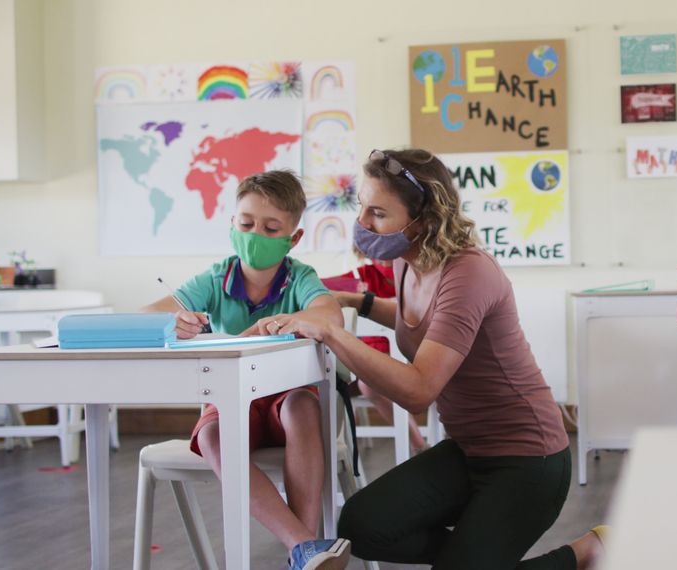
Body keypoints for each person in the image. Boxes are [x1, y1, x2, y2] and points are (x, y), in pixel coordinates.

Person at [273, 149, 604, 570]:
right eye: (362, 207)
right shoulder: (408, 261)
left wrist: (332, 333)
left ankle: (586, 553)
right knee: (362, 524)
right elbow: (420, 320)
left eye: (377, 213)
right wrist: (352, 301)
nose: (362, 224)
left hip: (528, 461)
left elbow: (418, 390)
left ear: (424, 219)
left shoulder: (469, 272)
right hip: (468, 450)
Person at [141, 170, 350, 570]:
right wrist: (172, 323)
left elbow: (330, 314)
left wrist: (292, 318)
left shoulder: (299, 277)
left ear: (294, 238)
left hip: (287, 400)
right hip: (231, 401)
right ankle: (304, 547)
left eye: (272, 228)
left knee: (301, 408)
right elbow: (148, 314)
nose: (256, 235)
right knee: (216, 434)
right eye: (246, 224)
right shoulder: (216, 279)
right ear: (232, 225)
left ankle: (303, 554)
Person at [322, 249, 429, 451]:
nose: (386, 263)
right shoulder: (360, 276)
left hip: (411, 356)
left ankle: (418, 445)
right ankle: (420, 446)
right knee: (360, 383)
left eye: (391, 254)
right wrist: (350, 291)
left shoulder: (418, 277)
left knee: (371, 383)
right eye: (378, 255)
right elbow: (317, 287)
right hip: (370, 357)